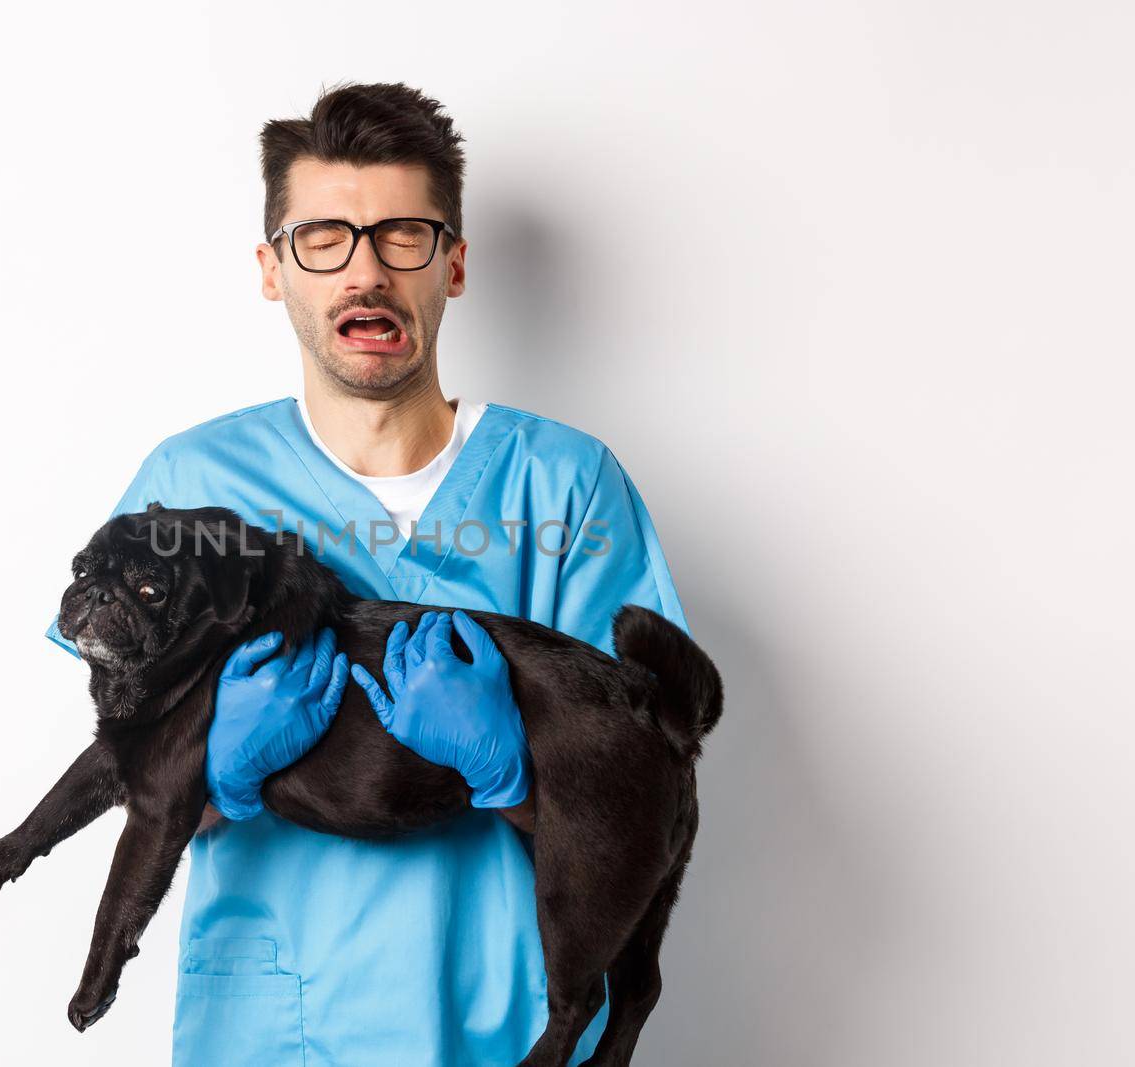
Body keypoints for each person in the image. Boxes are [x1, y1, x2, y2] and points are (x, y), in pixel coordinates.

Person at [46, 81, 688, 1067]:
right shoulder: (188, 484)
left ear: (454, 263)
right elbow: (132, 758)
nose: (366, 270)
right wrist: (222, 767)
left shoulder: (564, 482)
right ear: (272, 268)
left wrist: (510, 766)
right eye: (324, 238)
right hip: (276, 1026)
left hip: (511, 1020)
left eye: (402, 235)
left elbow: (641, 773)